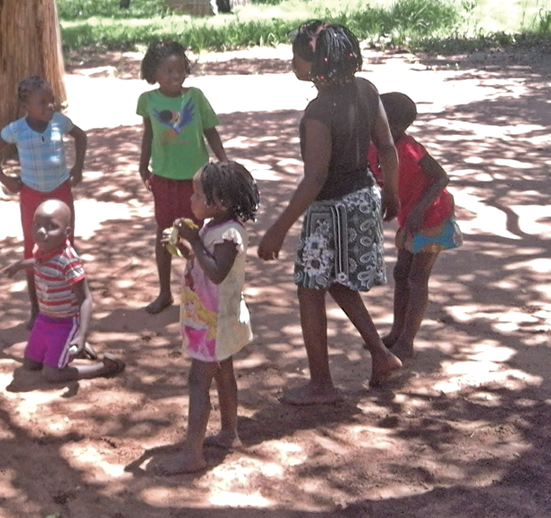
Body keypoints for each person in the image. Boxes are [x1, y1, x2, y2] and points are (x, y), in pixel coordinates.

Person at [257, 21, 404, 405]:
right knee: (337, 282)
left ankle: (321, 383)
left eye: (297, 57)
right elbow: (387, 147)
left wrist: (278, 228)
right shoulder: (368, 91)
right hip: (363, 198)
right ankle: (381, 354)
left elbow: (316, 177)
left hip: (330, 211)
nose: (293, 64)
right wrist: (392, 191)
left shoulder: (319, 112)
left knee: (310, 290)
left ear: (316, 63)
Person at [155, 161, 259, 474]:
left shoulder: (228, 235)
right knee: (223, 373)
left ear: (221, 203)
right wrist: (187, 249)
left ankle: (192, 455)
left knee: (198, 381)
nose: (191, 199)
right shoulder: (216, 228)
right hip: (215, 320)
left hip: (214, 323)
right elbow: (205, 263)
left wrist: (196, 242)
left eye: (198, 194)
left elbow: (216, 272)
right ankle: (229, 433)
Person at [368, 92, 463, 362]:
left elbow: (440, 177)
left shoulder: (410, 149)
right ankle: (397, 333)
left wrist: (420, 208)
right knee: (401, 273)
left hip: (432, 216)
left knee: (417, 278)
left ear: (396, 126)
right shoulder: (374, 147)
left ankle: (407, 341)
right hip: (408, 217)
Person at [0, 76, 87, 326]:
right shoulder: (16, 130)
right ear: (26, 106)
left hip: (60, 193)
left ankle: (72, 305)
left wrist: (78, 168)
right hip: (31, 195)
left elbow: (81, 136)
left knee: (65, 248)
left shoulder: (59, 123)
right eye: (42, 102)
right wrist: (4, 178)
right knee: (34, 248)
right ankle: (36, 308)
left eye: (51, 101)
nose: (49, 107)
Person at [136, 40, 228, 315]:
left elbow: (211, 131)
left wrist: (223, 161)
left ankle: (202, 291)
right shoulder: (148, 101)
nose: (175, 76)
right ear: (154, 74)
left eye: (180, 70)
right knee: (165, 233)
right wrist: (143, 166)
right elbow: (148, 135)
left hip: (197, 181)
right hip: (163, 178)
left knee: (201, 234)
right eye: (168, 71)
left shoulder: (196, 97)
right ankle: (165, 292)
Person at [2, 199, 125, 382]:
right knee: (30, 364)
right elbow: (39, 263)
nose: (41, 231)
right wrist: (20, 265)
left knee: (51, 374)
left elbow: (85, 299)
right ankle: (71, 350)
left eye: (51, 226)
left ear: (67, 232)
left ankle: (103, 368)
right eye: (37, 225)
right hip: (45, 319)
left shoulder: (68, 261)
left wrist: (82, 335)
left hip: (65, 323)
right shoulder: (42, 249)